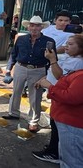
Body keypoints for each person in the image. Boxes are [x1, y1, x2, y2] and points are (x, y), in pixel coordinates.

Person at [32, 34, 83, 164]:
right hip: (58, 101)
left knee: (72, 157)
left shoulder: (78, 64)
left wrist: (53, 60)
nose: (66, 46)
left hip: (68, 113)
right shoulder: (70, 58)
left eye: (71, 44)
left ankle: (53, 152)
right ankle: (55, 149)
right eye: (67, 43)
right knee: (57, 129)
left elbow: (60, 76)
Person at [2, 15, 55, 133]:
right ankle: (13, 113)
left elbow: (52, 59)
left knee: (35, 96)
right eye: (32, 25)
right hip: (21, 67)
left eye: (37, 25)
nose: (34, 28)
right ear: (28, 27)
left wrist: (46, 75)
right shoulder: (21, 39)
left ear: (41, 27)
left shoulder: (49, 41)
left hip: (38, 70)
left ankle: (33, 121)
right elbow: (14, 54)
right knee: (16, 91)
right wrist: (8, 70)